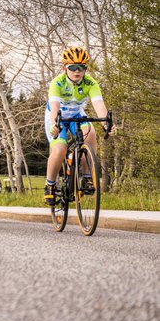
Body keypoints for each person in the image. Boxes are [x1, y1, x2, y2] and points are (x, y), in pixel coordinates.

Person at [44, 47, 114, 205]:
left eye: (81, 67)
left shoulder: (91, 83)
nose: (77, 71)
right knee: (60, 149)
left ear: (85, 69)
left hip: (76, 114)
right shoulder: (57, 83)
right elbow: (54, 107)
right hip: (57, 116)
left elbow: (99, 105)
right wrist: (55, 125)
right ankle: (50, 185)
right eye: (73, 67)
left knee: (91, 134)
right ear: (64, 68)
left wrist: (106, 124)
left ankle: (88, 177)